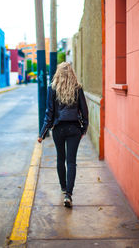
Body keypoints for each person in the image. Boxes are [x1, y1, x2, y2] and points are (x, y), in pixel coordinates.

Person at [38, 62, 88, 208]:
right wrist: (83, 129)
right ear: (71, 73)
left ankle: (63, 188)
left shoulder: (52, 88)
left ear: (58, 73)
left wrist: (42, 133)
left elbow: (49, 112)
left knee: (61, 158)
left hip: (58, 129)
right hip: (74, 129)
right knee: (71, 161)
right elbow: (85, 111)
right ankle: (69, 195)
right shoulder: (78, 88)